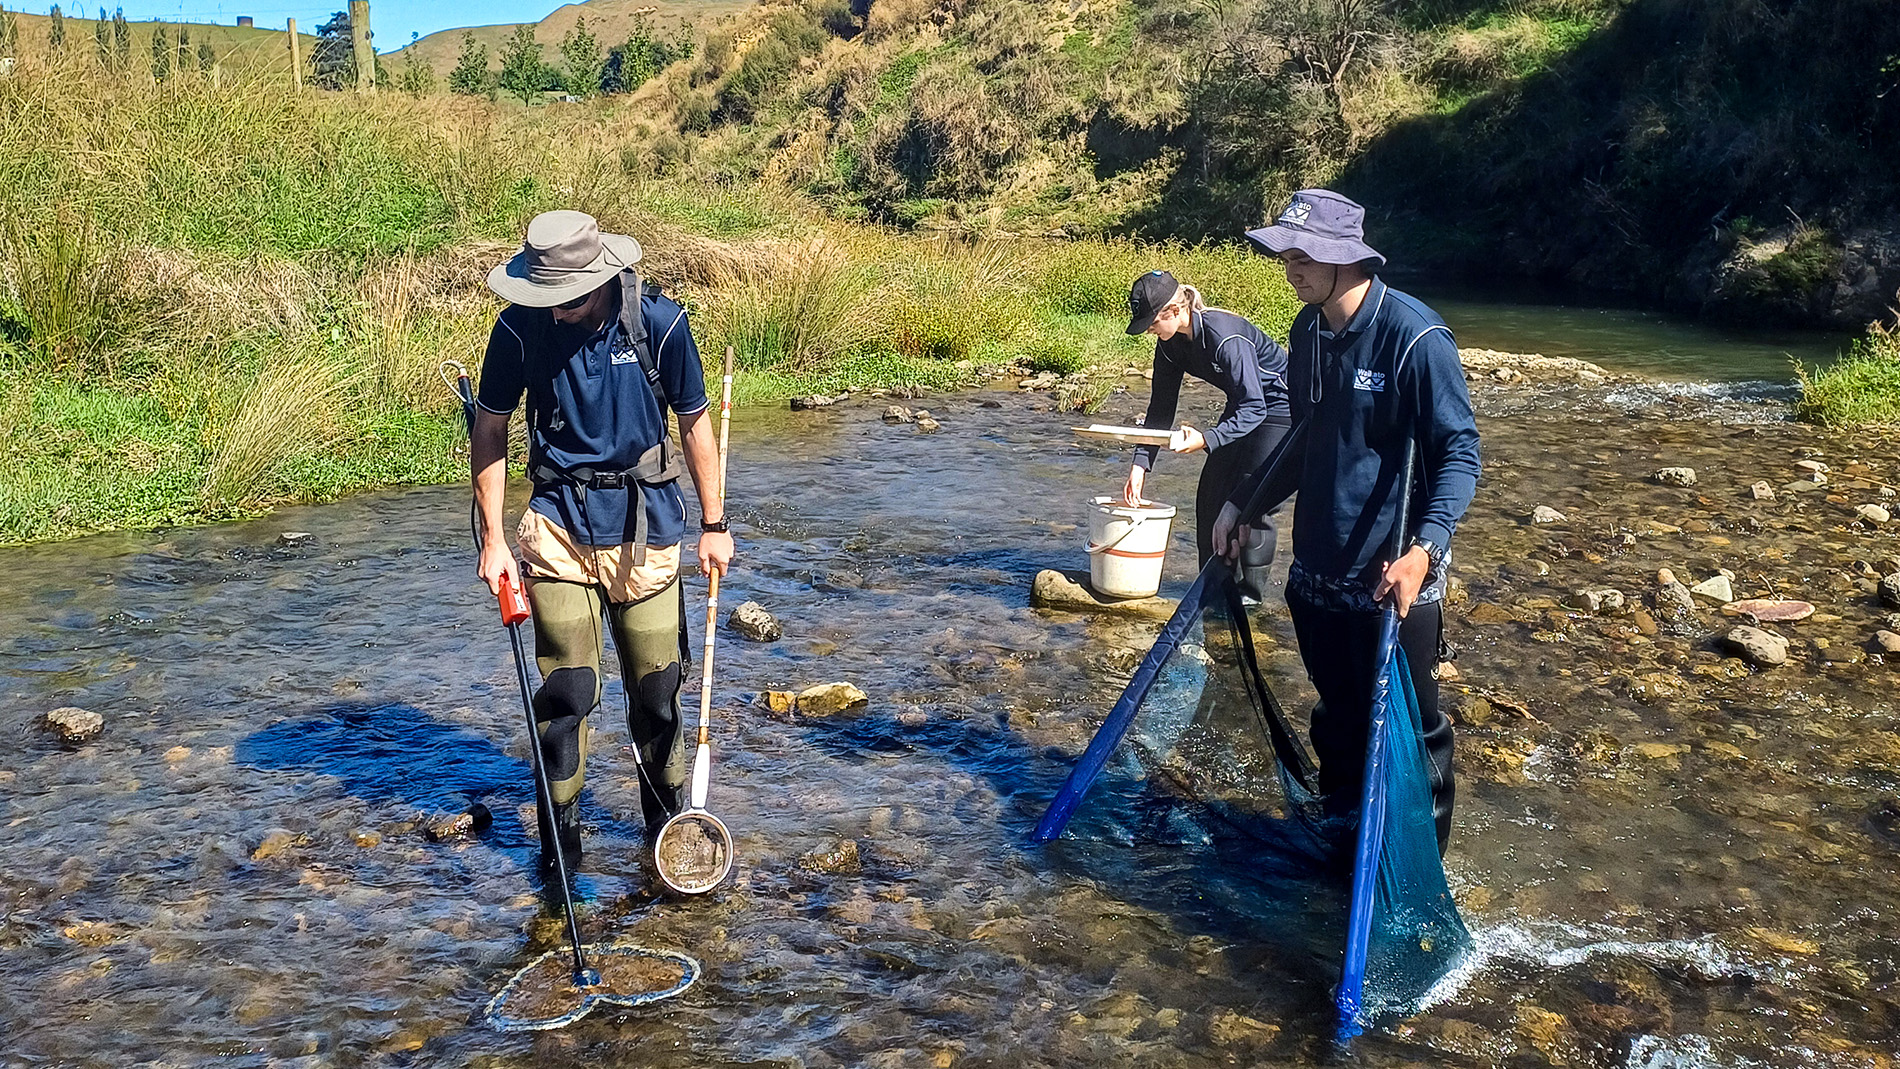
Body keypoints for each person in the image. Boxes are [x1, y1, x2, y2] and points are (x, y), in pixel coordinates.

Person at [1211, 189, 1480, 852]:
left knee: (1412, 736)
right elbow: (1308, 436)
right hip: (1318, 573)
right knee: (1338, 722)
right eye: (1286, 256)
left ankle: (1418, 869)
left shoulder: (1416, 339)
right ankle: (1343, 845)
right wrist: (1245, 502)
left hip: (1396, 577)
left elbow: (1460, 452)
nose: (1291, 269)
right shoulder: (1307, 332)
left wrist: (1427, 550)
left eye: (1303, 256)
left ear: (1347, 260)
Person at [470, 210, 735, 878]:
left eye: (568, 299)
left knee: (657, 696)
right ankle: (560, 863)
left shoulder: (661, 323)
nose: (555, 312)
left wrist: (713, 524)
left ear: (601, 278)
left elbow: (695, 424)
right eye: (545, 298)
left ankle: (668, 849)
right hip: (556, 527)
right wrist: (495, 540)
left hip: (644, 531)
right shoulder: (517, 329)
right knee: (566, 696)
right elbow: (492, 429)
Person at [1122, 270, 1292, 601]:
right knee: (1211, 495)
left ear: (1174, 310)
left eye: (1153, 322)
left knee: (1252, 497)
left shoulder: (1224, 336)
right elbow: (1160, 408)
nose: (1151, 331)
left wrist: (1207, 439)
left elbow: (1256, 407)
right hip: (1243, 404)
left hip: (1279, 407)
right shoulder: (1170, 346)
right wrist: (1140, 465)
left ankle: (1250, 596)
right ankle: (1213, 586)